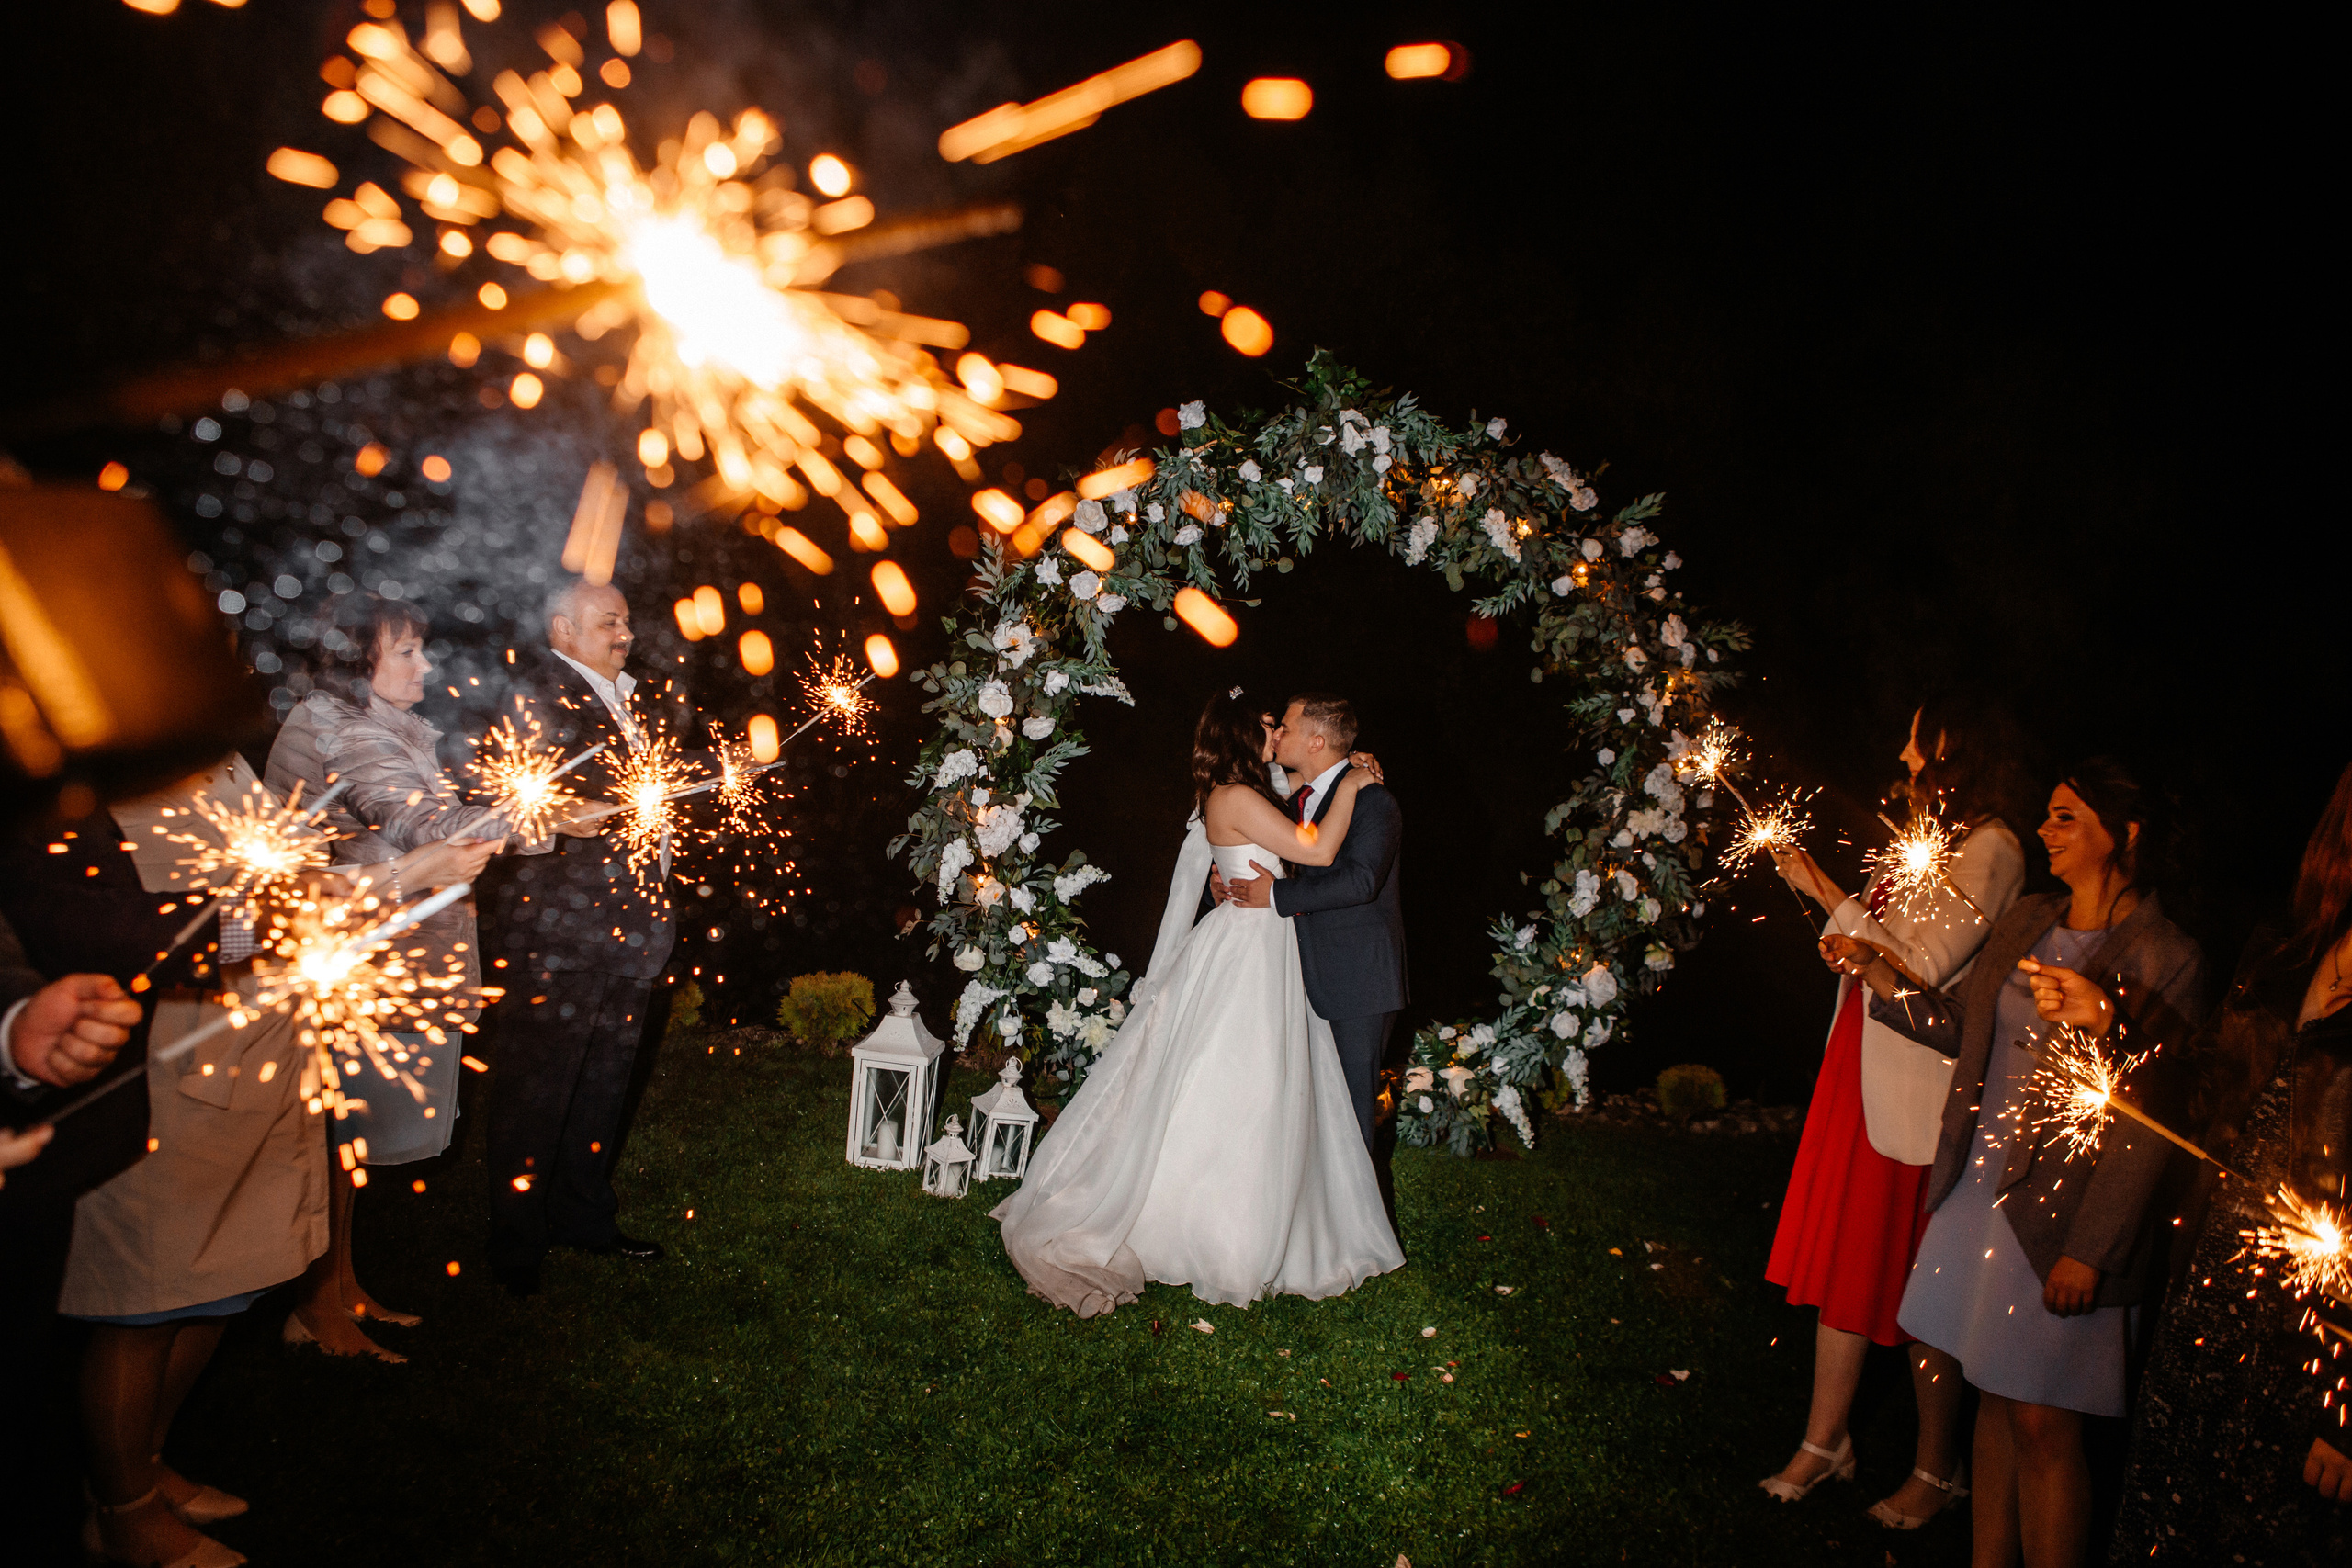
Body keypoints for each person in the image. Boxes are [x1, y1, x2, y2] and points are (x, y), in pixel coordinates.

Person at [1824, 757, 2206, 1568]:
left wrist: (2091, 1248)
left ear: (2124, 834)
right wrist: (1880, 973)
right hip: (1979, 1197)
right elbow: (1966, 1031)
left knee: (2043, 1421)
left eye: (2067, 817)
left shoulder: (2169, 956)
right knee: (1994, 1401)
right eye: (2048, 813)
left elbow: (2151, 1121)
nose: (2045, 829)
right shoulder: (2030, 915)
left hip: (2063, 1225)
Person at [992, 689, 1405, 1315]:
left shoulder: (1252, 795)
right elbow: (1316, 852)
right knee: (1239, 1083)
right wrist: (1349, 786)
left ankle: (1288, 1217)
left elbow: (1298, 859)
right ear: (1247, 737)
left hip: (1265, 949)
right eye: (1271, 725)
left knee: (1254, 1084)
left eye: (1285, 724)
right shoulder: (1238, 797)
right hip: (1250, 952)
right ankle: (1222, 1230)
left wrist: (1251, 865)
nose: (1278, 733)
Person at [1758, 699, 2030, 1527]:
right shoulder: (1933, 844)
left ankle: (1935, 1467)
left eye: (1924, 746)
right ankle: (1825, 1439)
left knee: (1922, 1292)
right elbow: (1869, 952)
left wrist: (1821, 889)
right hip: (1859, 1069)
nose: (1906, 758)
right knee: (1846, 1259)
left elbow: (1918, 964)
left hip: (1915, 1090)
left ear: (1963, 756)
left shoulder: (1992, 850)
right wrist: (1829, 906)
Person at [62, 755, 333, 1568]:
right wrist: (264, 923)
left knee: (225, 1288)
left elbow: (287, 862)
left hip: (252, 1063)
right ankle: (120, 1509)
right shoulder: (86, 781)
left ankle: (146, 1462)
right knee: (144, 1304)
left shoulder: (209, 754)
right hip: (168, 1074)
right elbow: (114, 926)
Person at [2101, 760, 2352, 1564]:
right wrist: (2114, 1025)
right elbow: (2202, 1087)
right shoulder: (2287, 954)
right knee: (2164, 1516)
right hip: (2214, 1293)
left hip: (2314, 1351)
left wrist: (2346, 1409)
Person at [265, 591, 503, 1359]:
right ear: (354, 659)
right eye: (406, 650)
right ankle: (313, 1308)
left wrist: (543, 815)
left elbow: (440, 816)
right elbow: (418, 822)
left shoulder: (384, 725)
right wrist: (527, 811)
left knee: (350, 1143)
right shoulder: (335, 730)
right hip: (335, 960)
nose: (425, 664)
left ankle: (342, 1283)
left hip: (374, 954)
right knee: (331, 1137)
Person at [478, 577, 685, 1297]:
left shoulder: (623, 695)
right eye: (609, 620)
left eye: (628, 619)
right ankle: (516, 1242)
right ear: (562, 628)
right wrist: (557, 807)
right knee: (538, 1089)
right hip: (562, 930)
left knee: (601, 1085)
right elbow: (503, 787)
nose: (625, 631)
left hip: (629, 926)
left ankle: (583, 1216)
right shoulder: (538, 690)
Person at [1219, 692, 1408, 1155]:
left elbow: (1360, 881)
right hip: (1291, 975)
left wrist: (1276, 895)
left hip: (1356, 979)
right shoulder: (1284, 800)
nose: (1277, 733)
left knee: (1348, 1114)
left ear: (1317, 741)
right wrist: (1224, 877)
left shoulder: (1373, 802)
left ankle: (1356, 1224)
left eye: (1286, 726)